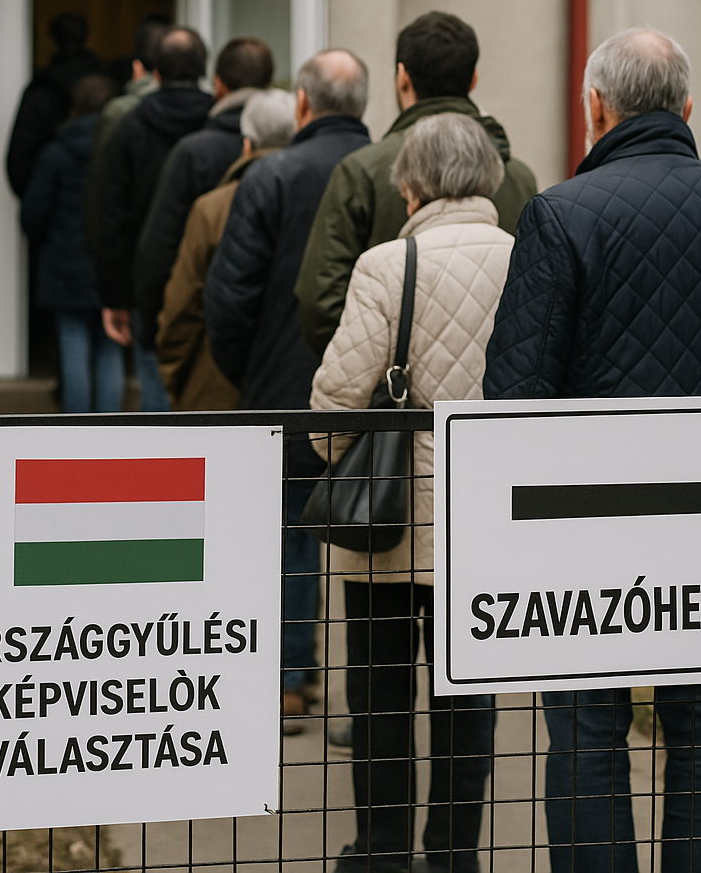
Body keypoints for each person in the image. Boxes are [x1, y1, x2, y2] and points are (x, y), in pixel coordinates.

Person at [483, 27, 701, 873]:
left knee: (587, 721)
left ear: (596, 107)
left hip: (592, 522)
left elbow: (516, 391)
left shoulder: (558, 214)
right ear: (688, 109)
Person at [309, 112, 510, 873]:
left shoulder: (388, 264)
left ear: (412, 184)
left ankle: (383, 851)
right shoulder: (528, 258)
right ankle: (454, 854)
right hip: (488, 517)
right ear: (487, 177)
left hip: (388, 517)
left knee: (381, 697)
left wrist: (329, 459)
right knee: (468, 700)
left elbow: (335, 397)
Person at [204, 50, 371, 732]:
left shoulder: (269, 175)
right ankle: (370, 701)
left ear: (302, 105)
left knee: (287, 534)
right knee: (376, 539)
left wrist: (249, 374)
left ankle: (288, 678)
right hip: (375, 392)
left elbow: (231, 297)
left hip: (280, 383)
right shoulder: (386, 172)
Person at [295, 11, 538, 357]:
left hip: (393, 400)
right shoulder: (519, 176)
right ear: (473, 79)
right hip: (495, 394)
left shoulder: (362, 171)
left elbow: (321, 304)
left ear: (402, 76)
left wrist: (383, 377)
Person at [91, 26, 214, 411]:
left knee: (156, 396)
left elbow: (109, 214)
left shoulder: (130, 128)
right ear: (204, 71)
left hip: (149, 281)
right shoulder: (221, 127)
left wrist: (115, 295)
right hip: (212, 277)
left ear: (154, 72)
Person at [156, 87, 296, 410]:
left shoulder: (211, 208)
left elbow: (182, 304)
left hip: (214, 387)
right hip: (294, 390)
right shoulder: (316, 200)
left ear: (246, 145)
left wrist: (175, 374)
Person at [135, 37, 275, 352]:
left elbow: (161, 244)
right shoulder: (290, 153)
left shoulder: (194, 152)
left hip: (198, 323)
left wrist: (153, 323)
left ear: (219, 84)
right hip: (269, 331)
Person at [20, 74, 124, 412]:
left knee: (73, 344)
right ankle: (111, 433)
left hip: (65, 265)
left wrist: (48, 242)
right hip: (110, 263)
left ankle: (75, 435)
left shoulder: (56, 153)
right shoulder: (121, 150)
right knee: (112, 345)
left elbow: (32, 213)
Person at [83, 14, 171, 255]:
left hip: (130, 248)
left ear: (137, 67)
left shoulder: (121, 112)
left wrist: (100, 248)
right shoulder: (204, 110)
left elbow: (102, 187)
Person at [6, 12, 101, 198]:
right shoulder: (104, 87)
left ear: (52, 42)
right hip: (100, 204)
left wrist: (36, 199)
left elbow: (20, 159)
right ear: (89, 39)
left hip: (51, 203)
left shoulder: (41, 89)